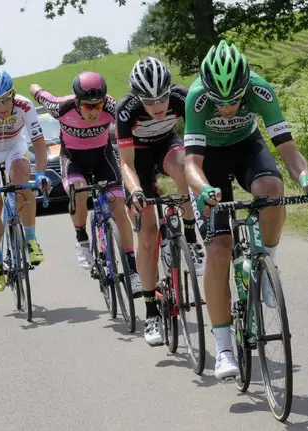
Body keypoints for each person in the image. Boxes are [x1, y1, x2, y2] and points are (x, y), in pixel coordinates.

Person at [183, 40, 308, 379]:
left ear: (245, 87)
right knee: (220, 249)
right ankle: (222, 348)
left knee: (272, 189)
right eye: (221, 101)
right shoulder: (197, 98)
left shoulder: (261, 91)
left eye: (234, 99)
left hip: (247, 148)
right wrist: (203, 189)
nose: (228, 107)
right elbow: (191, 162)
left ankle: (266, 264)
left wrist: (307, 179)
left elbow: (289, 152)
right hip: (209, 161)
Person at [117, 57, 207, 347]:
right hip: (137, 160)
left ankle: (191, 237)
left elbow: (196, 144)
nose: (157, 107)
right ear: (136, 96)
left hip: (167, 144)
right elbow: (126, 164)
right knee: (147, 236)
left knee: (183, 165)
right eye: (149, 101)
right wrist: (135, 191)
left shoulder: (181, 97)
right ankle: (151, 311)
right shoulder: (126, 110)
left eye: (162, 99)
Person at [29, 72, 142, 295]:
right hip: (73, 158)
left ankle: (132, 270)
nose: (94, 111)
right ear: (77, 102)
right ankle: (82, 239)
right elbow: (38, 92)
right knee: (78, 191)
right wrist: (33, 88)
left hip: (103, 156)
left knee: (118, 205)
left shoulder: (111, 107)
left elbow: (131, 125)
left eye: (97, 106)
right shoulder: (61, 108)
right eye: (88, 107)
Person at [0, 68, 51, 292]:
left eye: (5, 100)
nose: (1, 107)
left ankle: (31, 239)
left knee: (20, 177)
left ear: (13, 94)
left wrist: (41, 173)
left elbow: (39, 142)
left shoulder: (24, 106)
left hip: (14, 147)